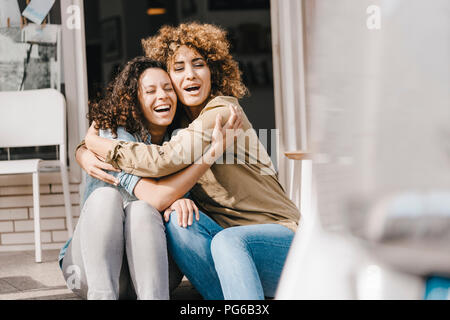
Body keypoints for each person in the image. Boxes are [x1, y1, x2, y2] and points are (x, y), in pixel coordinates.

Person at [79, 22, 300, 300]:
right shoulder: (178, 125)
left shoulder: (221, 111)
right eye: (178, 68)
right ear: (168, 78)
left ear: (214, 71)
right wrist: (83, 151)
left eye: (199, 64)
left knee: (228, 241)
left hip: (282, 242)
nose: (190, 75)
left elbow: (163, 161)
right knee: (180, 222)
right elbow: (149, 156)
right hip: (229, 249)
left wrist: (97, 144)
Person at [60, 56, 242, 300]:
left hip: (152, 276)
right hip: (89, 273)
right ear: (133, 100)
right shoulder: (111, 135)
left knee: (142, 211)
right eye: (150, 91)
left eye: (168, 89)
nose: (163, 96)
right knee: (106, 197)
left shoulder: (182, 139)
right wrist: (172, 194)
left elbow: (156, 199)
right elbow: (157, 197)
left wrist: (175, 199)